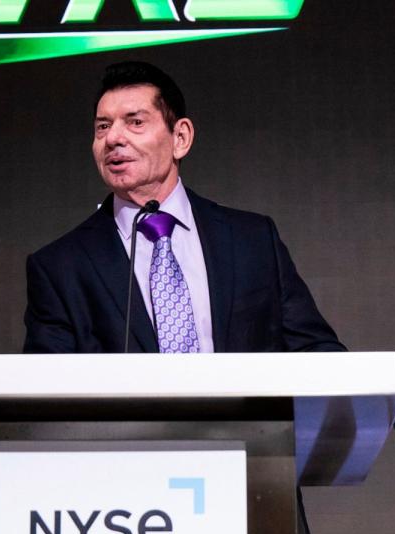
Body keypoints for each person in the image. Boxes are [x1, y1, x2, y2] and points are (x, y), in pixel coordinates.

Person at [23, 61, 345, 354]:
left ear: (181, 138)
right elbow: (45, 397)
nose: (113, 139)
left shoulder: (254, 241)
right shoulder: (59, 268)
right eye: (102, 127)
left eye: (135, 122)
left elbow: (318, 353)